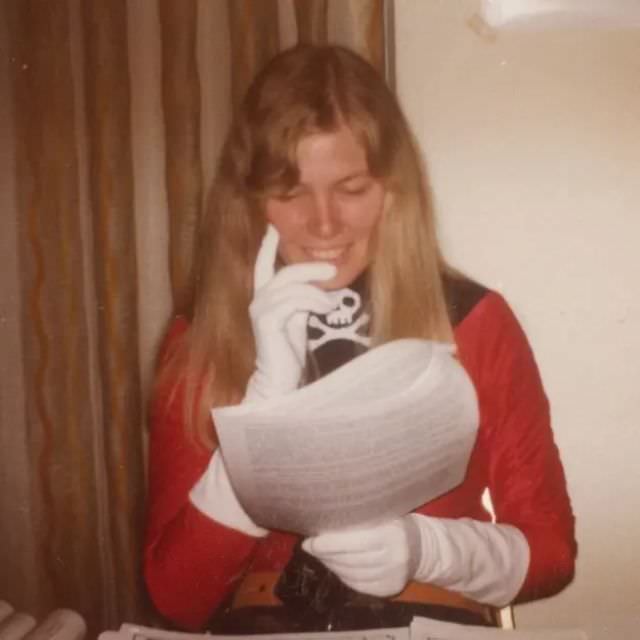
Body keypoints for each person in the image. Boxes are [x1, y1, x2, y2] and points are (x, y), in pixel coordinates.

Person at [144, 44, 576, 634]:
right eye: (291, 191)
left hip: (431, 616)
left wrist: (428, 550)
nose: (323, 224)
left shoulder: (474, 320)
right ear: (250, 200)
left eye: (351, 188)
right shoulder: (201, 336)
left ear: (393, 191)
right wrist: (261, 411)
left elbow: (552, 552)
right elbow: (176, 598)